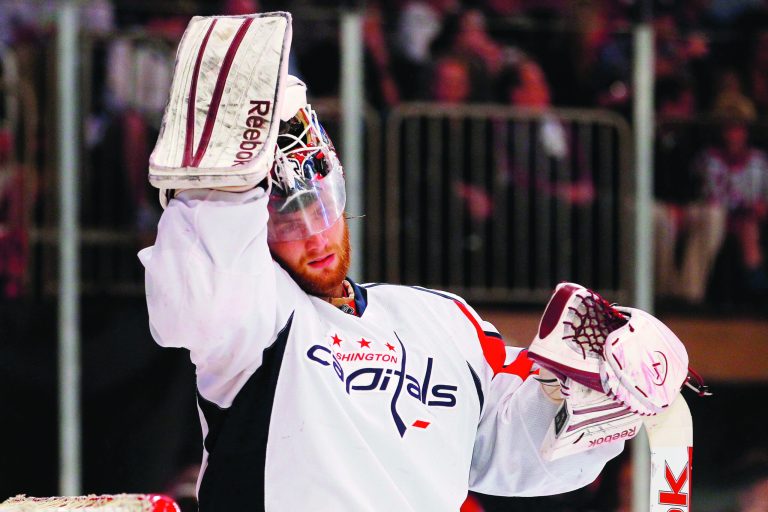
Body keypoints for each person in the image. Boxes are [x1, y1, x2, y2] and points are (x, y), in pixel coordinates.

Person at [139, 13, 686, 511]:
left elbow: (519, 450)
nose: (315, 236)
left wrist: (600, 395)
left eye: (322, 206)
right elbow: (197, 298)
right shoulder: (256, 322)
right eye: (286, 222)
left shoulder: (443, 319)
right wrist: (221, 184)